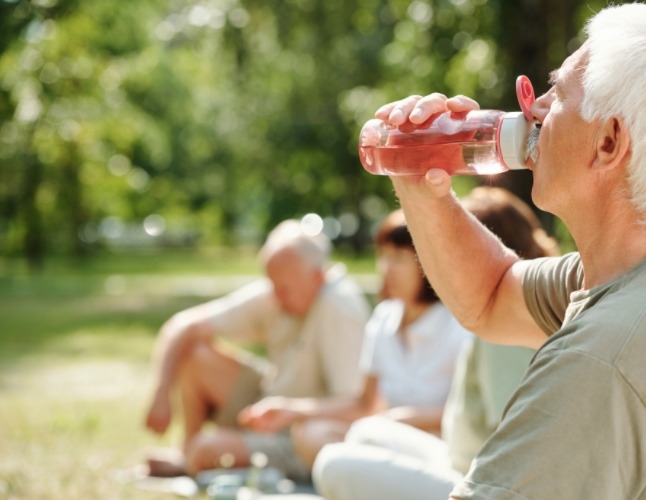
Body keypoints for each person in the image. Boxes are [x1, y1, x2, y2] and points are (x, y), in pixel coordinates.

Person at [367, 3, 646, 499]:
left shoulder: (604, 357)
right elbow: (491, 296)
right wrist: (421, 187)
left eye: (558, 93)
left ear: (609, 141)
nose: (535, 108)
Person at [312, 187, 558, 500]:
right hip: (459, 456)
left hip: (479, 481)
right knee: (365, 432)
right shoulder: (514, 308)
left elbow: (515, 441)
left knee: (331, 464)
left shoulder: (507, 328)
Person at [237, 208, 471, 474]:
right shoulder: (384, 319)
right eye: (383, 256)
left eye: (398, 258)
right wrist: (290, 410)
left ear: (431, 262)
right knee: (312, 435)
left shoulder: (458, 326)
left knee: (358, 444)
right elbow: (364, 405)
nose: (386, 268)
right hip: (385, 436)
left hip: (440, 445)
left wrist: (398, 420)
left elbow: (468, 410)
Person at [142, 219, 371, 481]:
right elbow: (183, 326)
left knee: (206, 451)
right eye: (272, 284)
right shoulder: (278, 291)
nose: (275, 297)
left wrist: (291, 411)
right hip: (270, 405)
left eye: (283, 289)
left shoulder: (339, 307)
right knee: (196, 355)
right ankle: (186, 452)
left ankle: (195, 457)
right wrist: (162, 392)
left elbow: (357, 406)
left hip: (300, 435)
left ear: (317, 277)